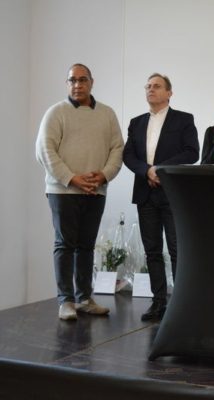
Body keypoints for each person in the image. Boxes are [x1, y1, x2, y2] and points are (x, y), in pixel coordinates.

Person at [36, 63, 124, 321]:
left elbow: (117, 149)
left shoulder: (107, 114)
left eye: (82, 80)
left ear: (92, 82)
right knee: (64, 244)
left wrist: (104, 175)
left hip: (95, 190)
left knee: (86, 245)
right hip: (62, 191)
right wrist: (71, 178)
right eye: (72, 80)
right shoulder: (56, 113)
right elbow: (44, 151)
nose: (77, 85)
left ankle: (84, 298)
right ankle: (66, 301)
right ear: (67, 84)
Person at [123, 73, 199, 322]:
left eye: (156, 86)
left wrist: (160, 170)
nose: (150, 89)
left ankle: (181, 304)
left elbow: (192, 152)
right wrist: (147, 171)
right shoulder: (136, 122)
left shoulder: (184, 119)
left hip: (172, 193)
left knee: (177, 250)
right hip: (145, 192)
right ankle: (158, 302)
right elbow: (128, 155)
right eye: (147, 86)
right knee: (152, 250)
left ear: (169, 93)